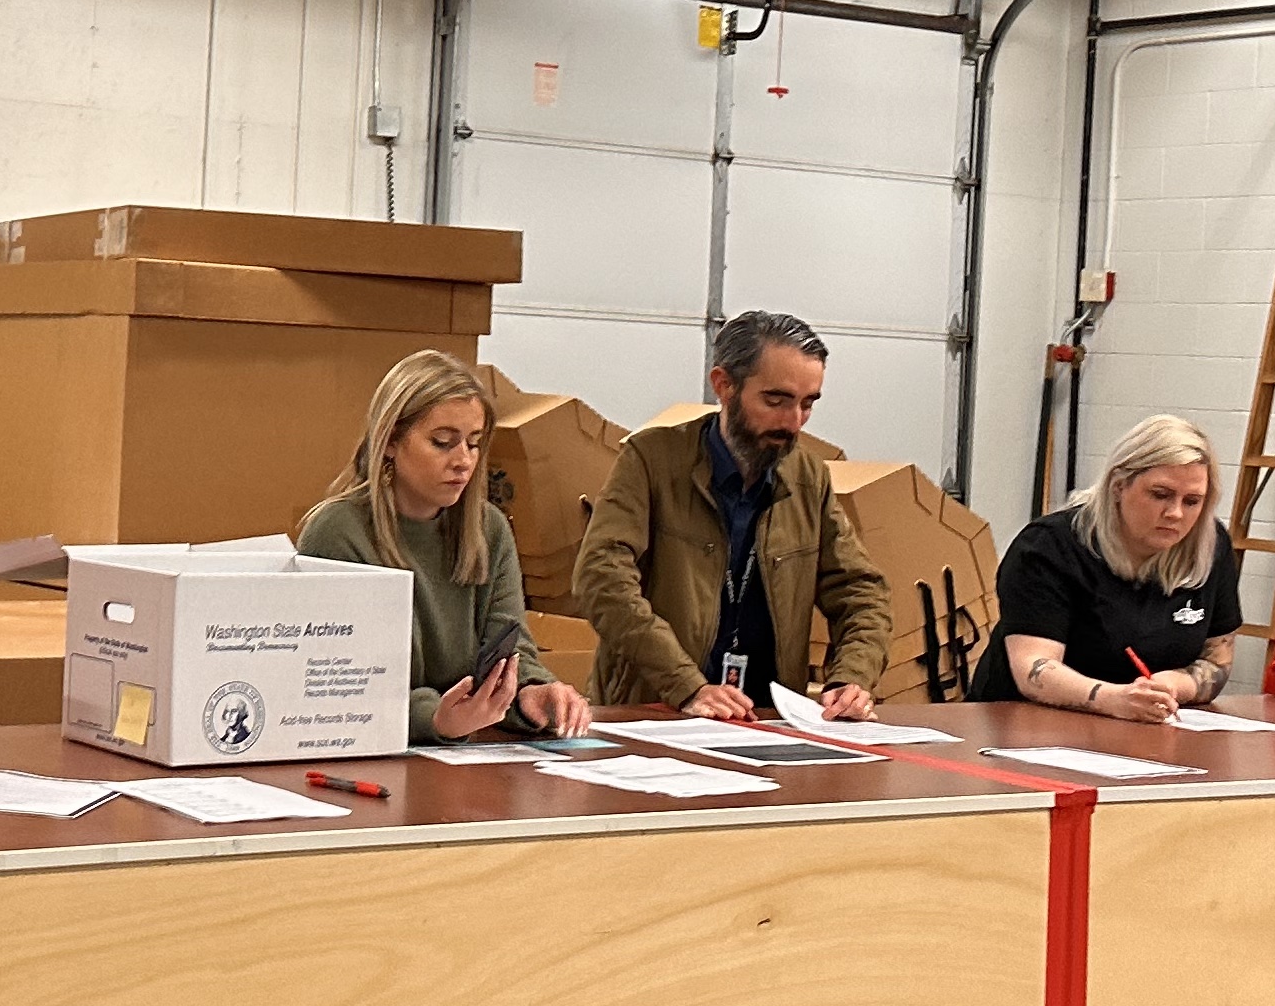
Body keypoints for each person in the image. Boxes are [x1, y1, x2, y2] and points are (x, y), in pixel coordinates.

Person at [573, 310, 889, 720]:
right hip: (656, 711)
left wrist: (851, 678)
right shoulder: (651, 460)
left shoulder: (808, 478)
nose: (793, 423)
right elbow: (602, 579)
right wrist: (687, 685)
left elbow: (861, 592)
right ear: (724, 385)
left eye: (808, 404)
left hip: (767, 719)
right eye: (775, 400)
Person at [295, 352, 596, 741]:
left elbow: (510, 644)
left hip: (463, 755)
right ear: (389, 442)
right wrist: (434, 719)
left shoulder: (489, 529)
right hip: (369, 747)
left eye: (473, 445)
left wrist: (532, 692)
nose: (463, 461)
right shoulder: (338, 532)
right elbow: (334, 682)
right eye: (442, 443)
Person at [975, 413, 1245, 719]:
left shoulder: (1210, 545)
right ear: (1119, 485)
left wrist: (1172, 685)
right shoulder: (1049, 546)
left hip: (1140, 727)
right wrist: (1110, 698)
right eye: (1160, 495)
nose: (1175, 513)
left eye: (1192, 501)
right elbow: (1033, 668)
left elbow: (1217, 660)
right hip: (1025, 724)